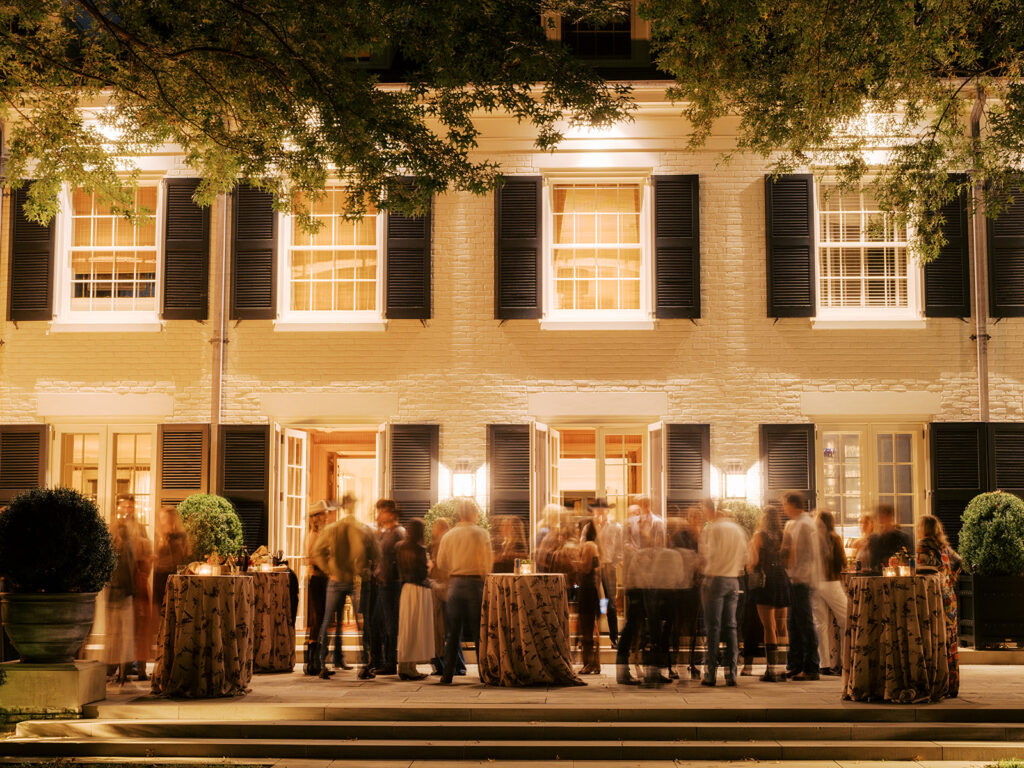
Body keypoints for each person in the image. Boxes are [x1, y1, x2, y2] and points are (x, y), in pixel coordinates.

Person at [435, 499, 493, 685]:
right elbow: (487, 561)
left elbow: (441, 563)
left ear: (460, 514)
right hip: (475, 583)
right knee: (478, 631)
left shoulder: (449, 535)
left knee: (452, 633)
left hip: (455, 583)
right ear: (474, 514)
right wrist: (485, 578)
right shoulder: (481, 533)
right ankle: (484, 674)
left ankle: (447, 675)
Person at [312, 493, 369, 679]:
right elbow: (317, 552)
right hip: (345, 579)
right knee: (349, 623)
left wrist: (329, 569)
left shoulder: (337, 528)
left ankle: (324, 664)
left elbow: (318, 551)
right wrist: (332, 569)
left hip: (342, 579)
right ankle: (359, 665)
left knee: (332, 622)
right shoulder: (356, 528)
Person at [698, 503, 748, 686]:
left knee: (713, 628)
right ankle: (731, 674)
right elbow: (746, 557)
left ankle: (710, 674)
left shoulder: (713, 529)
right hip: (733, 579)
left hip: (715, 579)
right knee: (731, 627)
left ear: (713, 511)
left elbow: (706, 555)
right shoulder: (738, 530)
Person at [917, 514, 962, 697]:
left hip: (934, 598)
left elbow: (921, 572)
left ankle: (936, 683)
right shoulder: (944, 547)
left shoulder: (924, 545)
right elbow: (959, 562)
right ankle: (952, 684)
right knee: (950, 642)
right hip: (949, 598)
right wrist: (951, 579)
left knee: (934, 640)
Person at [781, 491, 822, 681]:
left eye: (785, 504)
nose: (783, 508)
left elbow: (811, 553)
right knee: (793, 624)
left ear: (792, 504)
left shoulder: (806, 524)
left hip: (803, 579)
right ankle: (795, 664)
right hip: (793, 578)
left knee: (805, 623)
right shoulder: (794, 524)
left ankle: (811, 666)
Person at [749, 504, 791, 681]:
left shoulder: (759, 536)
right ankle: (787, 666)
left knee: (769, 626)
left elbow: (753, 560)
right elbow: (789, 560)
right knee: (782, 627)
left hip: (766, 581)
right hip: (782, 579)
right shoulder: (784, 536)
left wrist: (749, 567)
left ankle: (771, 670)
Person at [396, 518, 434, 681]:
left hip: (406, 589)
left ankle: (404, 665)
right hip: (419, 589)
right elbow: (423, 572)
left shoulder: (399, 547)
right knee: (415, 628)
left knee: (407, 628)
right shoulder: (420, 549)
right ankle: (410, 667)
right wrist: (430, 565)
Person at [812, 510, 848, 675]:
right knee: (845, 619)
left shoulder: (812, 539)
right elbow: (843, 563)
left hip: (815, 583)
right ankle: (844, 660)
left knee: (821, 624)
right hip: (831, 582)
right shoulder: (835, 538)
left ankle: (824, 664)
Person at [672, 503, 705, 680]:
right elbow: (676, 556)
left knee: (694, 628)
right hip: (680, 586)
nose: (694, 521)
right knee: (677, 627)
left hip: (695, 586)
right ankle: (674, 664)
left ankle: (693, 663)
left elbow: (705, 559)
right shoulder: (680, 536)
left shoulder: (701, 537)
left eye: (697, 518)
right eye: (692, 517)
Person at [373, 498, 405, 676]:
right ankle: (382, 660)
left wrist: (388, 575)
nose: (379, 515)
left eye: (382, 511)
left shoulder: (398, 533)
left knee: (390, 623)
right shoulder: (387, 532)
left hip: (390, 584)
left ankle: (391, 662)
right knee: (378, 622)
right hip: (383, 583)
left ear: (391, 513)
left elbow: (396, 558)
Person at [304, 500, 336, 676]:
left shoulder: (320, 534)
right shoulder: (315, 535)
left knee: (321, 620)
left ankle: (317, 662)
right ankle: (314, 663)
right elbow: (315, 558)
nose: (326, 516)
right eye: (323, 514)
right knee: (319, 620)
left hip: (321, 578)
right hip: (319, 579)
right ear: (316, 517)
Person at [106, 512, 135, 685]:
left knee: (114, 635)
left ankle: (116, 669)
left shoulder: (112, 548)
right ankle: (122, 671)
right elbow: (129, 572)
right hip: (124, 594)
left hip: (113, 595)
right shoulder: (126, 548)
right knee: (124, 636)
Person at [594, 500, 623, 647]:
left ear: (607, 511)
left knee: (611, 603)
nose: (599, 512)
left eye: (602, 510)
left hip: (609, 567)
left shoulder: (616, 527)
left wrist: (614, 563)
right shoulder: (589, 527)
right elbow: (583, 544)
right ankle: (593, 638)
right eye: (597, 510)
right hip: (594, 568)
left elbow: (620, 548)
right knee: (594, 602)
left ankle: (614, 638)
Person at [153, 504, 189, 618]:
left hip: (174, 576)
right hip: (160, 577)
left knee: (174, 609)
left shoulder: (180, 536)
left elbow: (181, 558)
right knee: (160, 610)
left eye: (164, 517)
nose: (161, 521)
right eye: (161, 518)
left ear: (171, 518)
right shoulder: (158, 535)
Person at [576, 518, 602, 674]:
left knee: (586, 627)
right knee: (593, 627)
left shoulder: (588, 546)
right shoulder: (597, 546)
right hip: (594, 590)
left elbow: (585, 568)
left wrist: (574, 562)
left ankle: (588, 663)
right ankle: (595, 664)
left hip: (586, 589)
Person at [868, 504, 914, 572]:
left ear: (891, 518)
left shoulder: (902, 538)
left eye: (884, 517)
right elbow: (872, 564)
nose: (881, 520)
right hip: (877, 576)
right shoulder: (873, 539)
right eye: (879, 517)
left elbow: (908, 561)